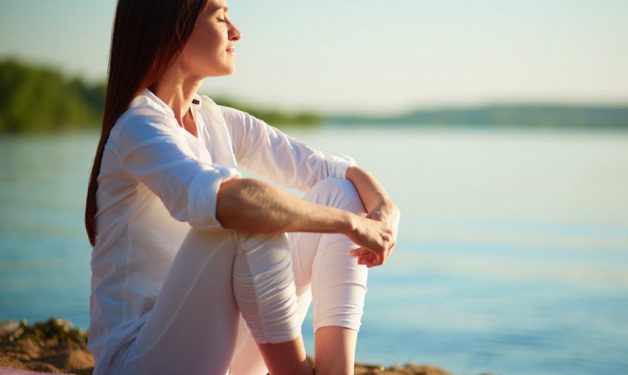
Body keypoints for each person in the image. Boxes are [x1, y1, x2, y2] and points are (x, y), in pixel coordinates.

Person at [83, 0, 400, 374]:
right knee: (245, 216)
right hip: (141, 361)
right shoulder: (138, 126)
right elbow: (231, 201)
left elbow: (332, 170)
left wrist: (383, 209)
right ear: (173, 27)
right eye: (220, 17)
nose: (236, 31)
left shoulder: (214, 119)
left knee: (339, 194)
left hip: (217, 354)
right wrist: (349, 225)